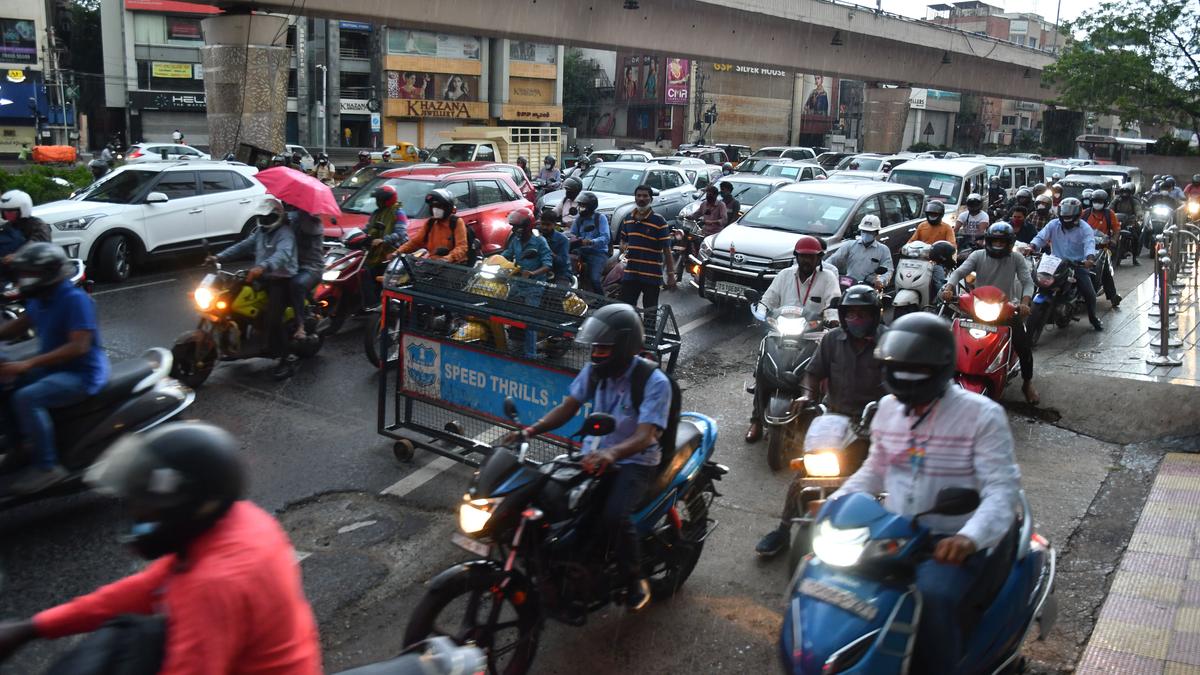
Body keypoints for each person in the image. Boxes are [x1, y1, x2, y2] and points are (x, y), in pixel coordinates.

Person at [0, 422, 321, 673]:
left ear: (194, 505)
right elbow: (143, 589)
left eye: (149, 506)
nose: (138, 515)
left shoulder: (211, 584)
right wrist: (33, 627)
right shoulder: (240, 522)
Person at [831, 312, 1021, 674]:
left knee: (932, 599)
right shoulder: (888, 409)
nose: (907, 382)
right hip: (899, 534)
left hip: (956, 542)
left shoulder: (982, 416)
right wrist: (835, 504)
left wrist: (969, 538)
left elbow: (1001, 491)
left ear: (940, 368)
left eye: (916, 371)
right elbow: (875, 470)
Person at [502, 304, 670, 612]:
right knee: (548, 498)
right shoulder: (595, 372)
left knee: (613, 516)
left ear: (623, 346)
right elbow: (568, 407)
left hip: (635, 462)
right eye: (595, 346)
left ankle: (635, 579)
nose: (596, 353)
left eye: (604, 348)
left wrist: (611, 453)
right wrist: (530, 430)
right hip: (593, 456)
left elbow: (647, 435)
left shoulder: (653, 382)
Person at [754, 284, 885, 555]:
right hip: (835, 418)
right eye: (851, 314)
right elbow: (813, 372)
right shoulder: (832, 339)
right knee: (807, 471)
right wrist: (806, 396)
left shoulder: (889, 343)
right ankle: (783, 529)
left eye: (863, 314)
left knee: (880, 484)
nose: (856, 320)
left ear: (875, 315)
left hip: (875, 424)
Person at [0, 244, 109, 494]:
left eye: (31, 274)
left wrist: (27, 364)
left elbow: (79, 347)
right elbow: (20, 324)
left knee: (27, 397)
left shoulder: (74, 299)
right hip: (55, 367)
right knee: (4, 384)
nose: (26, 279)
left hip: (82, 373)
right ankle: (19, 449)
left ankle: (48, 466)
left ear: (48, 274)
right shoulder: (41, 298)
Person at [745, 236, 841, 443]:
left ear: (819, 258)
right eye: (802, 256)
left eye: (811, 257)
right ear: (796, 257)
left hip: (813, 333)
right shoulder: (784, 275)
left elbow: (832, 303)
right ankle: (756, 420)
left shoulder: (828, 278)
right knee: (763, 367)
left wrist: (832, 321)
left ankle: (820, 414)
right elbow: (768, 299)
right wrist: (761, 312)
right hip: (781, 331)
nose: (806, 261)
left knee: (823, 371)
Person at [942, 222, 1039, 404]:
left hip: (1006, 309)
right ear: (988, 240)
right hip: (977, 308)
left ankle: (1027, 383)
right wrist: (949, 287)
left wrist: (1025, 302)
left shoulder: (1016, 258)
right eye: (995, 241)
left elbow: (1027, 281)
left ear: (1009, 243)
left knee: (1024, 347)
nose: (998, 244)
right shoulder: (978, 255)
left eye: (1003, 242)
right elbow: (960, 272)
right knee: (953, 338)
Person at [209, 199, 299, 379]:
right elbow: (243, 246)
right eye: (262, 217)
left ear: (278, 216)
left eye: (269, 217)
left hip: (282, 279)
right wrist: (219, 257)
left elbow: (282, 255)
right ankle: (239, 343)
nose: (265, 220)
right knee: (231, 302)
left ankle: (286, 359)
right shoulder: (261, 232)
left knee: (274, 318)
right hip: (261, 276)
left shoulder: (285, 234)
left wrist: (263, 267)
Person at [1030, 197, 1103, 331]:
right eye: (1064, 213)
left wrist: (1089, 258)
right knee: (1035, 280)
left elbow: (1089, 244)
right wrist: (1032, 247)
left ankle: (1093, 318)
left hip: (1077, 265)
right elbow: (1041, 237)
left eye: (1070, 214)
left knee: (1089, 292)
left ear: (1077, 214)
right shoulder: (1053, 224)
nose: (1066, 217)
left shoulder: (1085, 228)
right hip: (1054, 263)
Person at [617, 185, 676, 319]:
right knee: (625, 308)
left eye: (645, 196)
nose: (641, 199)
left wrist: (671, 275)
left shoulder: (659, 221)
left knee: (650, 311)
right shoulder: (628, 218)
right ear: (635, 198)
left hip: (651, 275)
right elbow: (623, 240)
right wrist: (623, 246)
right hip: (631, 273)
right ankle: (629, 335)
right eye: (638, 196)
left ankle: (649, 338)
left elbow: (667, 251)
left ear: (651, 199)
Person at [501, 209, 554, 357]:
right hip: (517, 283)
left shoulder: (539, 242)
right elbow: (506, 255)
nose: (514, 230)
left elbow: (547, 265)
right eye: (513, 227)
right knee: (500, 307)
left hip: (534, 286)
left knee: (529, 320)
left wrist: (532, 273)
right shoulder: (515, 240)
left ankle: (531, 354)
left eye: (517, 227)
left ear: (527, 227)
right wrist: (492, 261)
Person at [360, 185, 410, 310]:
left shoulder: (398, 212)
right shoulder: (376, 213)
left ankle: (380, 303)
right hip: (375, 252)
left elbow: (401, 233)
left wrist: (383, 240)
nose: (378, 202)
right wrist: (358, 235)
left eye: (380, 199)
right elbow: (368, 228)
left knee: (377, 276)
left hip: (391, 252)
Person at [396, 189, 468, 263]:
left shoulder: (456, 222)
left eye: (438, 206)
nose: (435, 209)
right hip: (433, 263)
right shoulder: (430, 223)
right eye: (433, 206)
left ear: (447, 207)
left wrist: (448, 258)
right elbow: (415, 242)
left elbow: (461, 247)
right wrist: (398, 251)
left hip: (453, 265)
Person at [287, 203, 325, 340]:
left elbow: (307, 229)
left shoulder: (313, 221)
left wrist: (289, 218)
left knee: (297, 285)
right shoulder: (291, 217)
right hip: (290, 265)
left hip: (311, 267)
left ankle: (300, 325)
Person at [826, 215, 893, 288]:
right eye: (864, 231)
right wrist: (823, 270)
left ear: (876, 233)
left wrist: (881, 281)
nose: (866, 234)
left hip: (869, 287)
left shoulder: (883, 250)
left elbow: (888, 270)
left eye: (869, 232)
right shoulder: (849, 245)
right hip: (849, 285)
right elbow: (833, 260)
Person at [1081, 189, 1121, 307]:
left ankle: (1113, 296)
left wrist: (1113, 239)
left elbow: (1116, 229)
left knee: (1104, 270)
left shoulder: (1110, 214)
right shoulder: (1085, 213)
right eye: (1095, 201)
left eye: (1100, 201)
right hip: (1084, 246)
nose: (1097, 203)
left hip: (1102, 247)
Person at [570, 191, 610, 293]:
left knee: (594, 279)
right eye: (579, 205)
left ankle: (601, 301)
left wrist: (591, 242)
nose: (580, 207)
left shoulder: (600, 218)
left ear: (590, 206)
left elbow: (605, 237)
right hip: (581, 251)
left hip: (598, 252)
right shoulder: (579, 219)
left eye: (583, 205)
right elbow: (572, 234)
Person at [1111, 183, 1143, 265]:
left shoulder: (1134, 201)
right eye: (1123, 192)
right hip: (1117, 221)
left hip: (1130, 222)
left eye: (1127, 192)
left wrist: (1139, 216)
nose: (1124, 194)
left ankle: (1134, 258)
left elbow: (1138, 209)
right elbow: (1110, 208)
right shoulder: (1116, 200)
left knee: (1136, 237)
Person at [540, 209, 573, 286]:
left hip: (560, 273)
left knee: (556, 294)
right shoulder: (537, 235)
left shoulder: (562, 240)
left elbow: (562, 262)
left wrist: (548, 252)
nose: (544, 227)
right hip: (540, 271)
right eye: (543, 224)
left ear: (554, 224)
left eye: (548, 225)